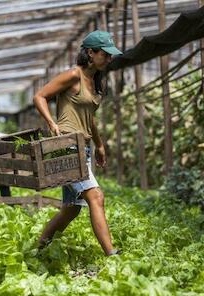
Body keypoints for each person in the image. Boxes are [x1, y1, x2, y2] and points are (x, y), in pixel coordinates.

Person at [33, 30, 122, 256]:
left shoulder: (94, 82)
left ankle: (39, 248)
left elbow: (88, 118)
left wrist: (100, 145)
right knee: (96, 196)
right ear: (90, 53)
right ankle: (111, 254)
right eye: (105, 54)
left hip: (84, 148)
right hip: (67, 146)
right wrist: (52, 123)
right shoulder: (73, 75)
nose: (109, 59)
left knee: (71, 209)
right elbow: (39, 96)